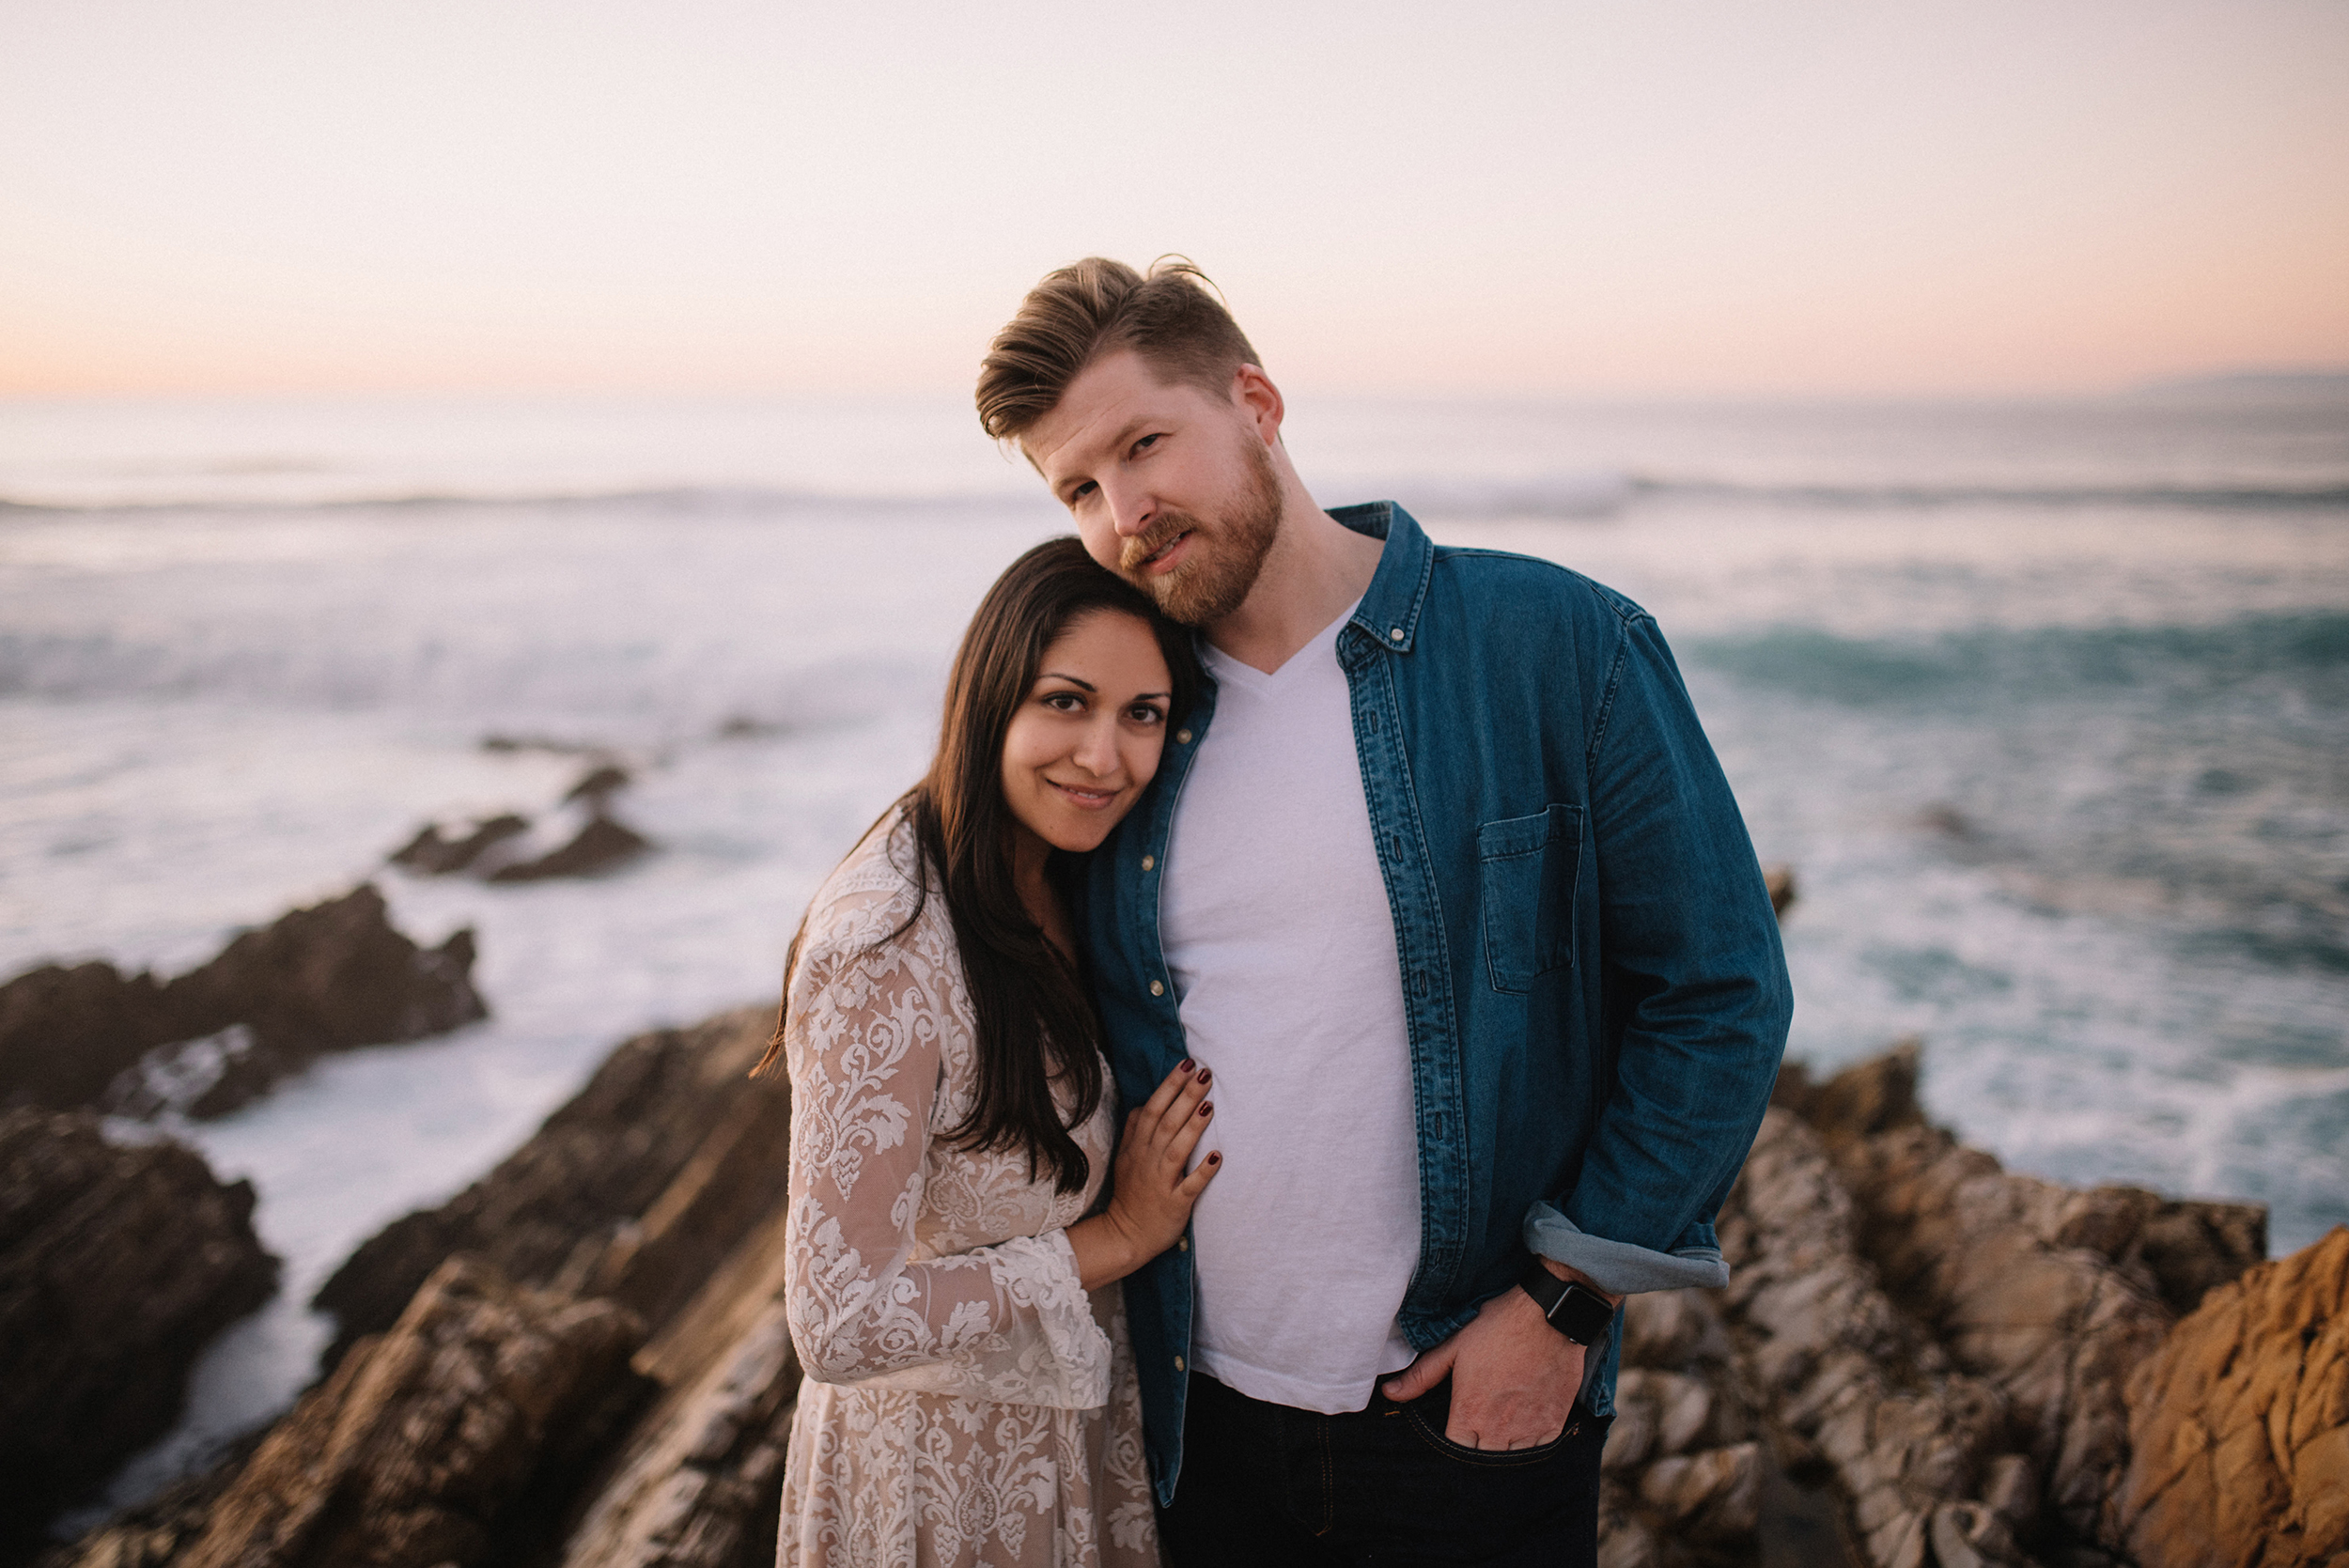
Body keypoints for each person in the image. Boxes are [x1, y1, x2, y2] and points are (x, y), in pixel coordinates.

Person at [973, 259, 1794, 1566]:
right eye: (1079, 487)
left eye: (1143, 445)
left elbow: (1719, 992)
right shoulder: (1124, 724)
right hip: (1194, 1422)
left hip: (1464, 1415)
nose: (1124, 513)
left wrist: (1561, 1310)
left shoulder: (1560, 645)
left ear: (1257, 402)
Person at [764, 537, 1221, 1567]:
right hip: (936, 1491)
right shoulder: (884, 945)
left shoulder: (1068, 876)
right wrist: (1120, 1236)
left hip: (1069, 1452)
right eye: (1067, 701)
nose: (1104, 757)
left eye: (1141, 714)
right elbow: (837, 1323)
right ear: (990, 697)